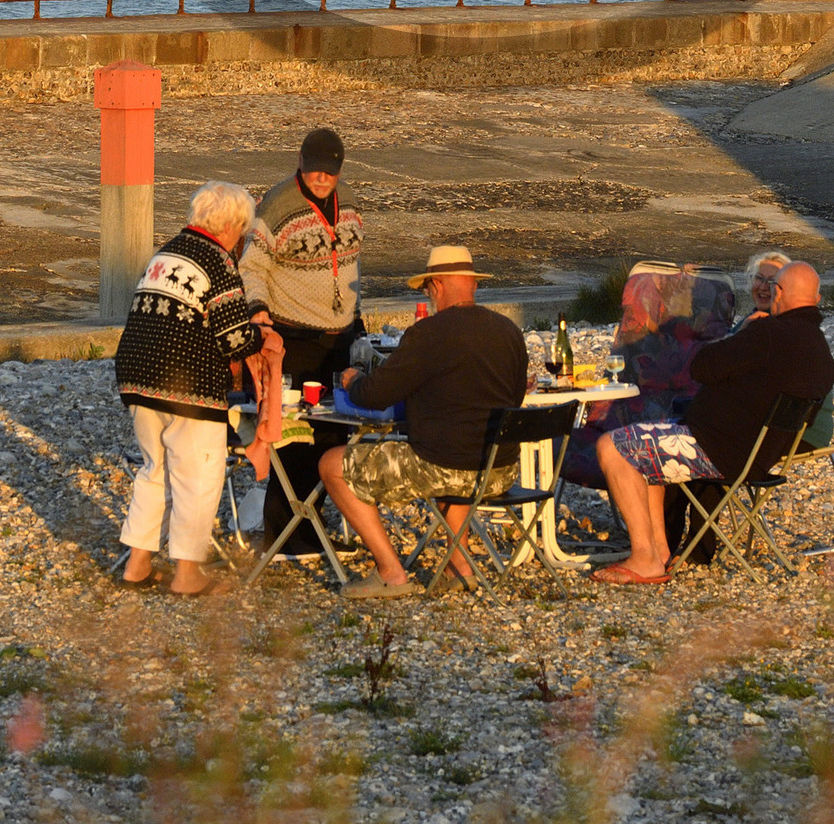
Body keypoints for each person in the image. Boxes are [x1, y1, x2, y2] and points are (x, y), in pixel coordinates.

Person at [594, 257, 834, 586]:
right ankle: (660, 551)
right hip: (756, 459)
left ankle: (644, 557)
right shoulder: (820, 353)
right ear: (815, 299)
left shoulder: (766, 334)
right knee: (647, 450)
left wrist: (743, 334)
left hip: (716, 451)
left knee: (612, 447)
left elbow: (702, 367)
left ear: (779, 292)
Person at [317, 242, 528, 599]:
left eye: (427, 289)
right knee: (452, 453)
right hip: (499, 470)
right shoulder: (508, 331)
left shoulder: (428, 333)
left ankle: (391, 572)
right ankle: (459, 566)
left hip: (446, 467)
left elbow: (375, 395)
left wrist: (354, 381)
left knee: (332, 465)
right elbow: (516, 398)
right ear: (473, 284)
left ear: (437, 285)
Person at [112, 179, 283, 596]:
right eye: (241, 231)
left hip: (136, 378)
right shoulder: (217, 261)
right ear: (231, 226)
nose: (241, 240)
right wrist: (262, 336)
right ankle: (187, 575)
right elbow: (233, 340)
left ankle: (137, 566)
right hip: (187, 384)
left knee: (154, 472)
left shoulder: (167, 253)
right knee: (198, 477)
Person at [240, 126, 365, 557]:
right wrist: (259, 312)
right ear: (300, 163)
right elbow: (251, 267)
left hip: (340, 337)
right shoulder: (277, 205)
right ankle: (285, 536)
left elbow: (351, 265)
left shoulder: (349, 201)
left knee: (334, 435)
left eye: (329, 171)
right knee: (295, 436)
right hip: (294, 336)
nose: (321, 178)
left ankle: (310, 527)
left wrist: (357, 316)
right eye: (314, 170)